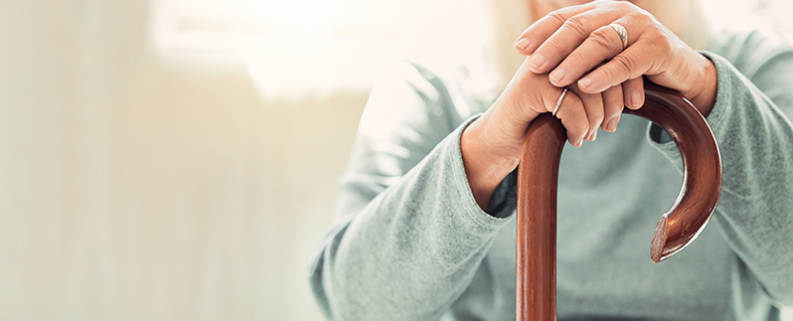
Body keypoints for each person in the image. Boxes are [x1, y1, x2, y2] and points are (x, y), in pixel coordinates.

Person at [309, 0, 793, 319]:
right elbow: (354, 303)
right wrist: (486, 148)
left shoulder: (759, 66)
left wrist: (708, 91)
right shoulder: (432, 88)